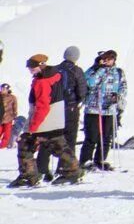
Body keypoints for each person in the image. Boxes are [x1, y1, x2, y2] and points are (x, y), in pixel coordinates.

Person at [11, 54, 81, 187]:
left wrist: (32, 127)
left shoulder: (43, 81)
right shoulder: (51, 76)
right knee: (58, 146)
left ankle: (29, 175)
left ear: (41, 65)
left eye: (33, 67)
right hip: (54, 119)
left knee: (25, 144)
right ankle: (73, 170)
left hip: (45, 121)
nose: (30, 69)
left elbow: (43, 106)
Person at [82, 50, 126, 170]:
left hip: (109, 108)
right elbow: (90, 83)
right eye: (105, 58)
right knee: (92, 136)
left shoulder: (119, 72)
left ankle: (100, 159)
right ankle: (86, 160)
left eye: (110, 58)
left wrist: (118, 96)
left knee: (107, 137)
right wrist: (100, 69)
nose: (107, 61)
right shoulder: (93, 70)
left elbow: (123, 87)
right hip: (93, 108)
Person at [0, 82, 16, 152]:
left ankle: (3, 146)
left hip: (9, 117)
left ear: (8, 90)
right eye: (2, 88)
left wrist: (15, 114)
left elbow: (14, 106)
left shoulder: (12, 97)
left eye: (4, 89)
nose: (2, 90)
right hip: (0, 117)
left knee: (7, 133)